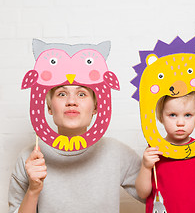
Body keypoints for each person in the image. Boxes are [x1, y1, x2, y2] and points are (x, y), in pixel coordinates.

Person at [8, 85, 143, 213]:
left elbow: (156, 197)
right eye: (61, 94)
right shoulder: (30, 158)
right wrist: (33, 190)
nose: (71, 101)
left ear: (95, 107)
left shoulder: (116, 152)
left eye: (82, 94)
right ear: (49, 107)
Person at [135, 92, 195, 213]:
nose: (180, 122)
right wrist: (145, 166)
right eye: (173, 115)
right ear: (160, 117)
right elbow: (142, 193)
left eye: (187, 115)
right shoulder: (154, 150)